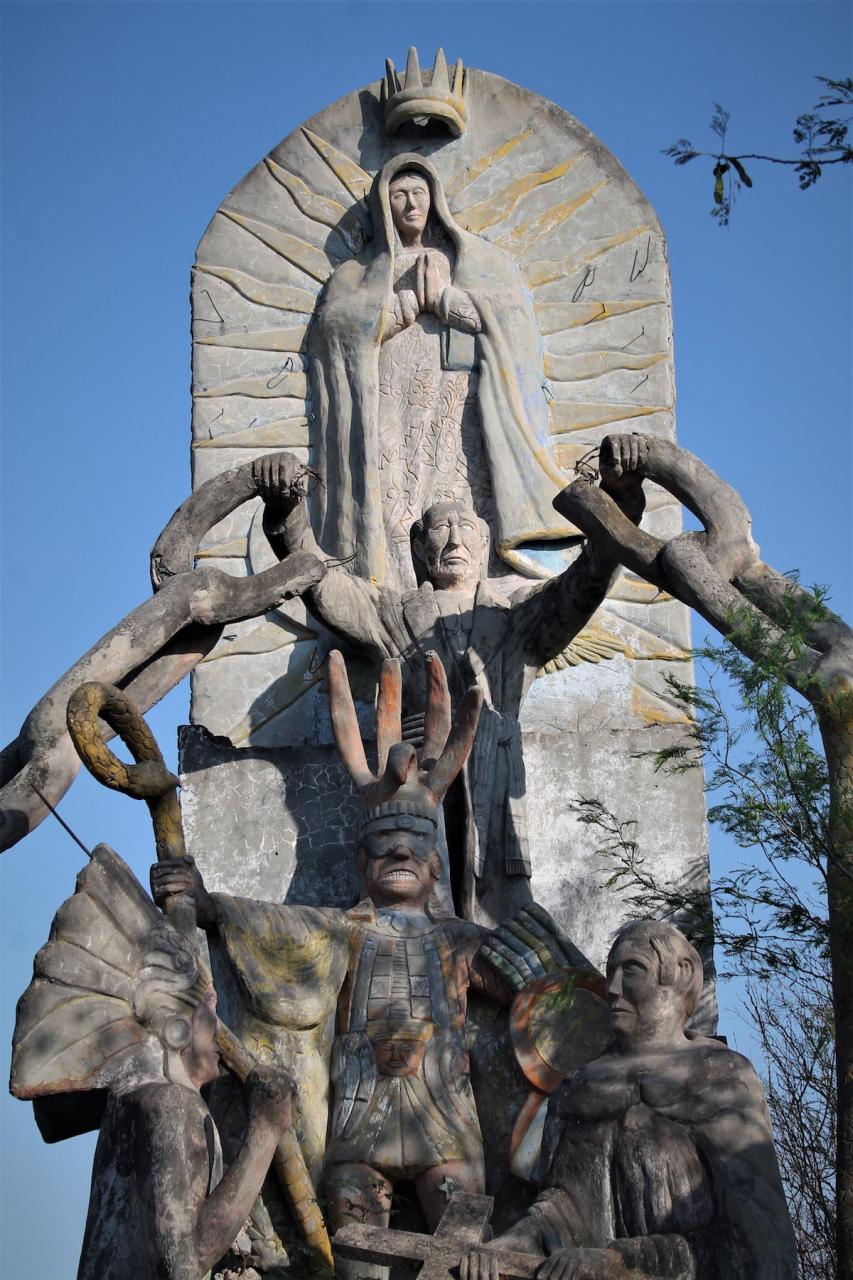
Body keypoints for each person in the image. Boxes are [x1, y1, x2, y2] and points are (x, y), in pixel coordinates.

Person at [152, 653, 587, 1278]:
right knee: (356, 1248)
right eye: (384, 847)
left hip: (444, 1108)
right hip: (360, 1107)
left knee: (466, 1249)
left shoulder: (460, 941)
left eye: (414, 848)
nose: (399, 856)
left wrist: (568, 1012)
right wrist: (208, 904)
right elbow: (283, 928)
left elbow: (536, 992)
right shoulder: (345, 931)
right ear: (362, 863)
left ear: (435, 866)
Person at [255, 433, 647, 925]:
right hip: (416, 770)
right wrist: (288, 510)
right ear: (420, 548)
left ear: (483, 544)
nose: (455, 540)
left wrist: (622, 502)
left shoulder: (516, 613)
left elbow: (587, 580)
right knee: (414, 901)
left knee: (505, 912)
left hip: (494, 766)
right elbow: (323, 587)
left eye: (466, 530)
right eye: (441, 529)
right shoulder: (393, 613)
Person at [10, 845, 296, 1280]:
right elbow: (185, 1261)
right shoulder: (170, 1104)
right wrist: (265, 1132)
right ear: (176, 1031)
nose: (219, 1032)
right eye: (209, 1013)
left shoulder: (129, 1099)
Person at [460, 920, 798, 1280]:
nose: (613, 988)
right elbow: (562, 1210)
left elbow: (758, 1235)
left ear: (682, 973)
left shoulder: (721, 1077)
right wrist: (507, 1247)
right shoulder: (578, 1087)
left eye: (632, 969)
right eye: (611, 973)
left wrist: (620, 1261)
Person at [308, 151, 575, 590]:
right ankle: (391, 596)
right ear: (383, 204)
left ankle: (473, 597)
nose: (411, 204)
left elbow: (511, 323)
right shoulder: (358, 272)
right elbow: (334, 330)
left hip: (457, 398)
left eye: (419, 193)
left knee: (463, 495)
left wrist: (446, 301)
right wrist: (403, 306)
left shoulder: (474, 260)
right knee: (392, 504)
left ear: (435, 198)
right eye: (399, 195)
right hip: (388, 399)